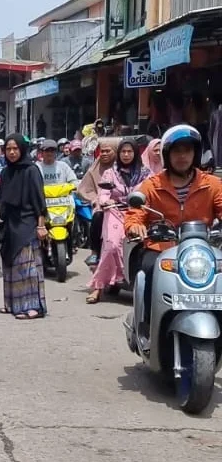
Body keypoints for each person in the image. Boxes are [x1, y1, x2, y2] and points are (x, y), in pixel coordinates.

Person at [123, 125, 222, 335]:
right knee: (148, 271)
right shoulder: (151, 185)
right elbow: (135, 214)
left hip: (202, 249)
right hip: (161, 248)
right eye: (177, 151)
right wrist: (135, 226)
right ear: (167, 155)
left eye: (187, 150)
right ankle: (147, 325)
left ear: (195, 153)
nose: (182, 156)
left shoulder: (212, 185)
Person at [86, 138, 149, 304]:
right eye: (123, 152)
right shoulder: (111, 173)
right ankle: (97, 287)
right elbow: (103, 193)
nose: (126, 155)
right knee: (112, 246)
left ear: (136, 153)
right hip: (114, 212)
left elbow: (151, 192)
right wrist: (105, 201)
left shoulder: (146, 174)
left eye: (130, 151)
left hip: (138, 213)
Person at [0, 134, 49, 320]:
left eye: (15, 149)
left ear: (22, 149)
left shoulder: (31, 170)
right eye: (8, 149)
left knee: (27, 266)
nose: (11, 153)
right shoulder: (5, 172)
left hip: (27, 222)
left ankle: (33, 306)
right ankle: (12, 304)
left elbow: (39, 201)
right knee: (10, 263)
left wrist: (41, 226)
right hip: (9, 223)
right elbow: (1, 198)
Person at [78, 137, 119, 266]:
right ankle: (95, 252)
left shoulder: (122, 168)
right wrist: (96, 199)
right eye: (102, 151)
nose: (104, 154)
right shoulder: (94, 170)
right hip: (102, 206)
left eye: (108, 151)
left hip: (122, 207)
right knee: (97, 217)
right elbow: (84, 189)